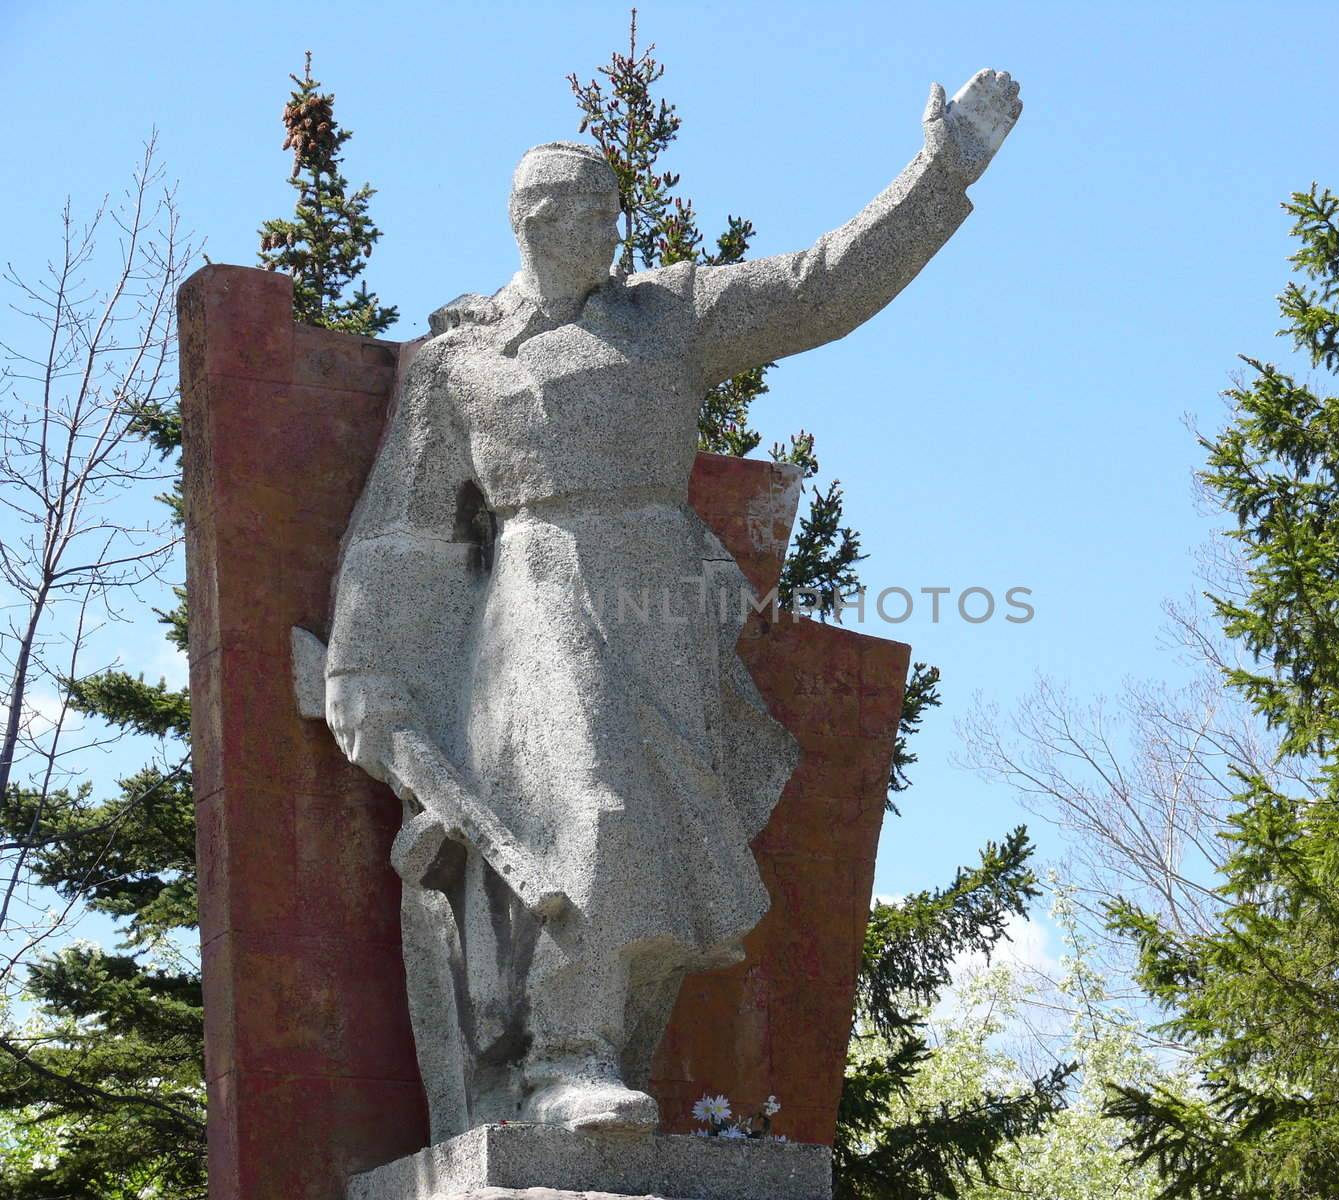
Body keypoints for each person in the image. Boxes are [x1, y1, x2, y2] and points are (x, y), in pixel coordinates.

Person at [321, 68, 1022, 1139]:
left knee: (647, 825)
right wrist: (362, 663)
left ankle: (606, 1047)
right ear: (529, 221)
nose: (608, 229)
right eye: (584, 211)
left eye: (615, 210)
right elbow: (402, 526)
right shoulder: (457, 360)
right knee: (585, 806)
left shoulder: (671, 316)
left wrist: (938, 178)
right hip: (533, 597)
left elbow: (819, 287)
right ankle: (566, 1056)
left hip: (658, 603)